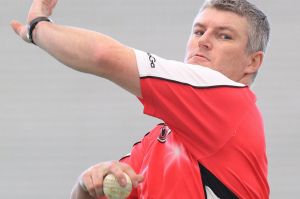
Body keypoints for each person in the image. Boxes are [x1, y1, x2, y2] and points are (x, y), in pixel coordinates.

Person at [11, 0, 270, 198]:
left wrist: (37, 27)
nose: (203, 42)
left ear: (252, 62)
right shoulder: (157, 140)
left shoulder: (229, 102)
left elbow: (103, 56)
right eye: (199, 31)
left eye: (224, 36)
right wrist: (87, 186)